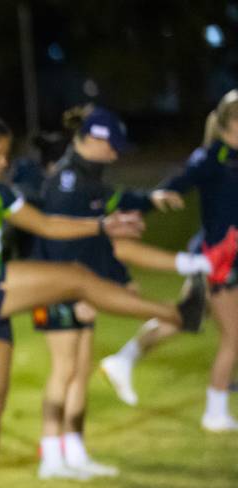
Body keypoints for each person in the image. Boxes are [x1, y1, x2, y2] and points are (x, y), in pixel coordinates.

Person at [0, 113, 203, 488]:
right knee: (75, 277)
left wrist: (101, 226)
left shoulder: (0, 194)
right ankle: (176, 314)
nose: (5, 162)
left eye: (7, 154)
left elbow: (49, 225)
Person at [28, 105, 222, 477]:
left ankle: (75, 451)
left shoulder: (89, 178)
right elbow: (61, 243)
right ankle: (52, 454)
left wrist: (151, 200)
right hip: (57, 287)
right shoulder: (69, 181)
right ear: (94, 139)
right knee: (64, 369)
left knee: (80, 370)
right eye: (112, 145)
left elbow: (114, 211)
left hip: (78, 286)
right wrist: (76, 295)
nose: (116, 153)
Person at [104, 90, 238, 430]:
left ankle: (124, 358)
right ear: (232, 123)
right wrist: (137, 207)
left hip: (224, 256)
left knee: (185, 317)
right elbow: (175, 186)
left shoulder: (232, 156)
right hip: (215, 260)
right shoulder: (212, 157)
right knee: (232, 336)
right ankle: (215, 411)